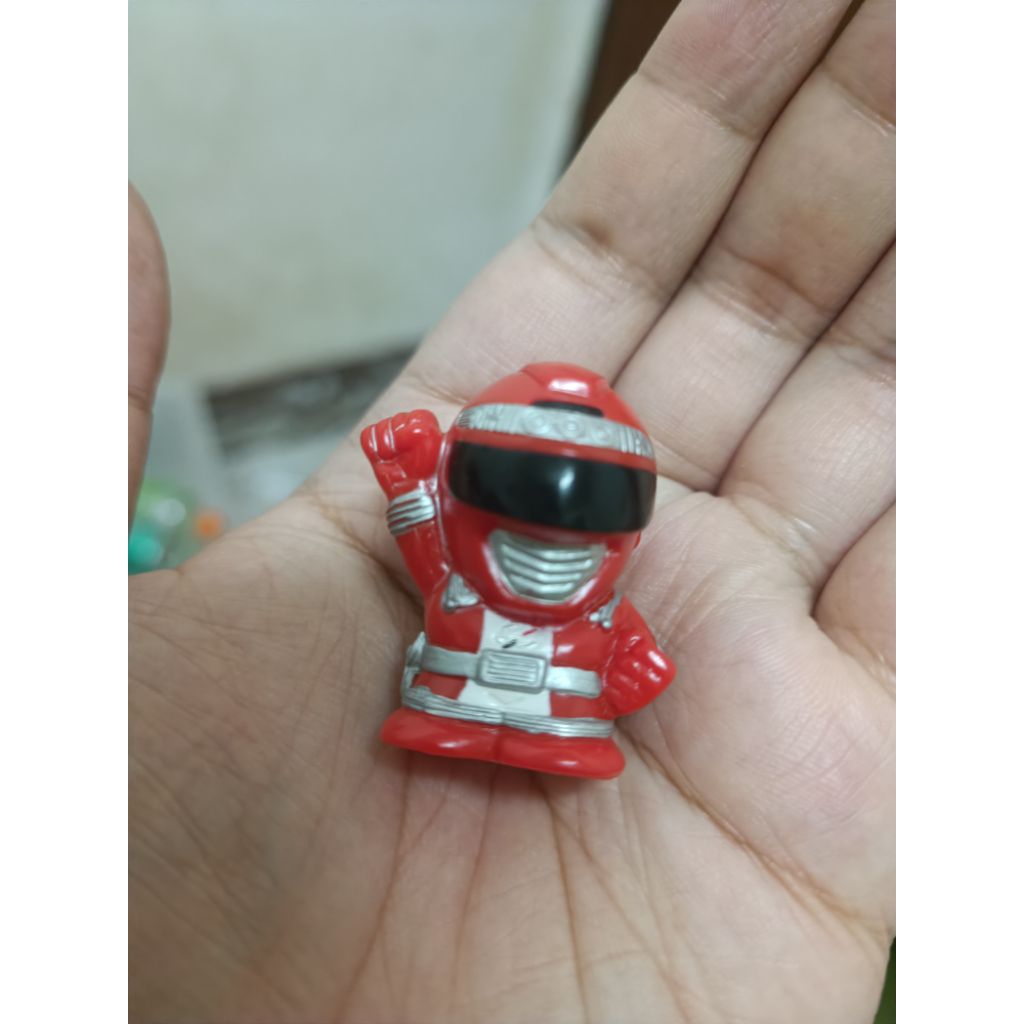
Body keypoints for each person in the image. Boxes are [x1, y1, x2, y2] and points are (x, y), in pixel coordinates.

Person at [129, 0, 894, 1019]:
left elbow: (606, 638)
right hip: (444, 711)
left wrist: (633, 663)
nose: (546, 532)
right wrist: (408, 483)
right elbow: (426, 555)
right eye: (514, 490)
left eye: (588, 504)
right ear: (472, 483)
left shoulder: (593, 608)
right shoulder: (459, 573)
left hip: (559, 726)